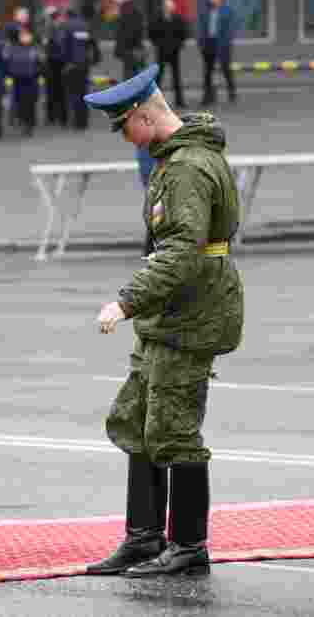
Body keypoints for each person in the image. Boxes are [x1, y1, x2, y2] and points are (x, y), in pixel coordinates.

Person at [83, 64, 244, 578]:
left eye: (124, 127)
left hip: (191, 313)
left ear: (145, 116)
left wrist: (126, 302)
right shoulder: (176, 160)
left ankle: (189, 545)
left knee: (173, 428)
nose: (125, 138)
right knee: (137, 421)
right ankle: (143, 537)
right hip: (170, 311)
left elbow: (180, 250)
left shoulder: (187, 169)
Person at [197, 0, 237, 106]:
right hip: (208, 43)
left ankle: (232, 92)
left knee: (226, 69)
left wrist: (227, 43)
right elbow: (201, 27)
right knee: (208, 71)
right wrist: (201, 43)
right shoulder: (205, 10)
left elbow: (230, 29)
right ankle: (207, 96)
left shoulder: (227, 10)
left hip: (222, 44)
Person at [149, 0, 190, 108]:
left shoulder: (178, 19)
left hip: (174, 52)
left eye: (170, 7)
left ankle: (179, 100)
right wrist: (158, 44)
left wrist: (178, 45)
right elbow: (151, 33)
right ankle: (154, 101)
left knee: (176, 77)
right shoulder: (157, 19)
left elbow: (183, 33)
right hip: (161, 51)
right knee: (158, 77)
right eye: (167, 7)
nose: (169, 9)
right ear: (163, 8)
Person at [63, 8, 100, 130]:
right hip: (84, 64)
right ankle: (83, 121)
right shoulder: (85, 26)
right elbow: (93, 43)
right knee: (83, 91)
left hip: (72, 64)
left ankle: (76, 121)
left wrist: (66, 62)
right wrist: (95, 58)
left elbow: (65, 46)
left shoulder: (67, 26)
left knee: (74, 92)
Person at [4, 26, 43, 137]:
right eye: (23, 35)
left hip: (31, 80)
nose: (25, 37)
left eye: (27, 35)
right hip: (18, 80)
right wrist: (10, 75)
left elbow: (40, 63)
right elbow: (7, 62)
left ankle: (29, 125)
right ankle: (22, 122)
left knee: (30, 103)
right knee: (20, 102)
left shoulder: (34, 48)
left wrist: (38, 73)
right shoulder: (13, 48)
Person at [114, 0, 147, 80]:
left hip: (128, 49)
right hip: (133, 49)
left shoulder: (124, 14)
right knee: (134, 73)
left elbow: (121, 33)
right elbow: (138, 32)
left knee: (129, 74)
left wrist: (119, 49)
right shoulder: (136, 14)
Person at [44, 7, 69, 128]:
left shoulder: (51, 29)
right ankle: (61, 118)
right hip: (60, 62)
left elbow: (47, 46)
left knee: (53, 91)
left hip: (53, 63)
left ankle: (53, 117)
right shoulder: (62, 28)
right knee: (60, 91)